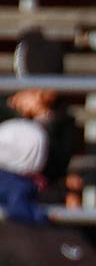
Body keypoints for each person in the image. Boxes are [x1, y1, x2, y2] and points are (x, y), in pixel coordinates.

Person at [6, 31, 80, 209]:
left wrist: (43, 118)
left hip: (39, 195)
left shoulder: (62, 121)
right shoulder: (6, 110)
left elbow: (53, 167)